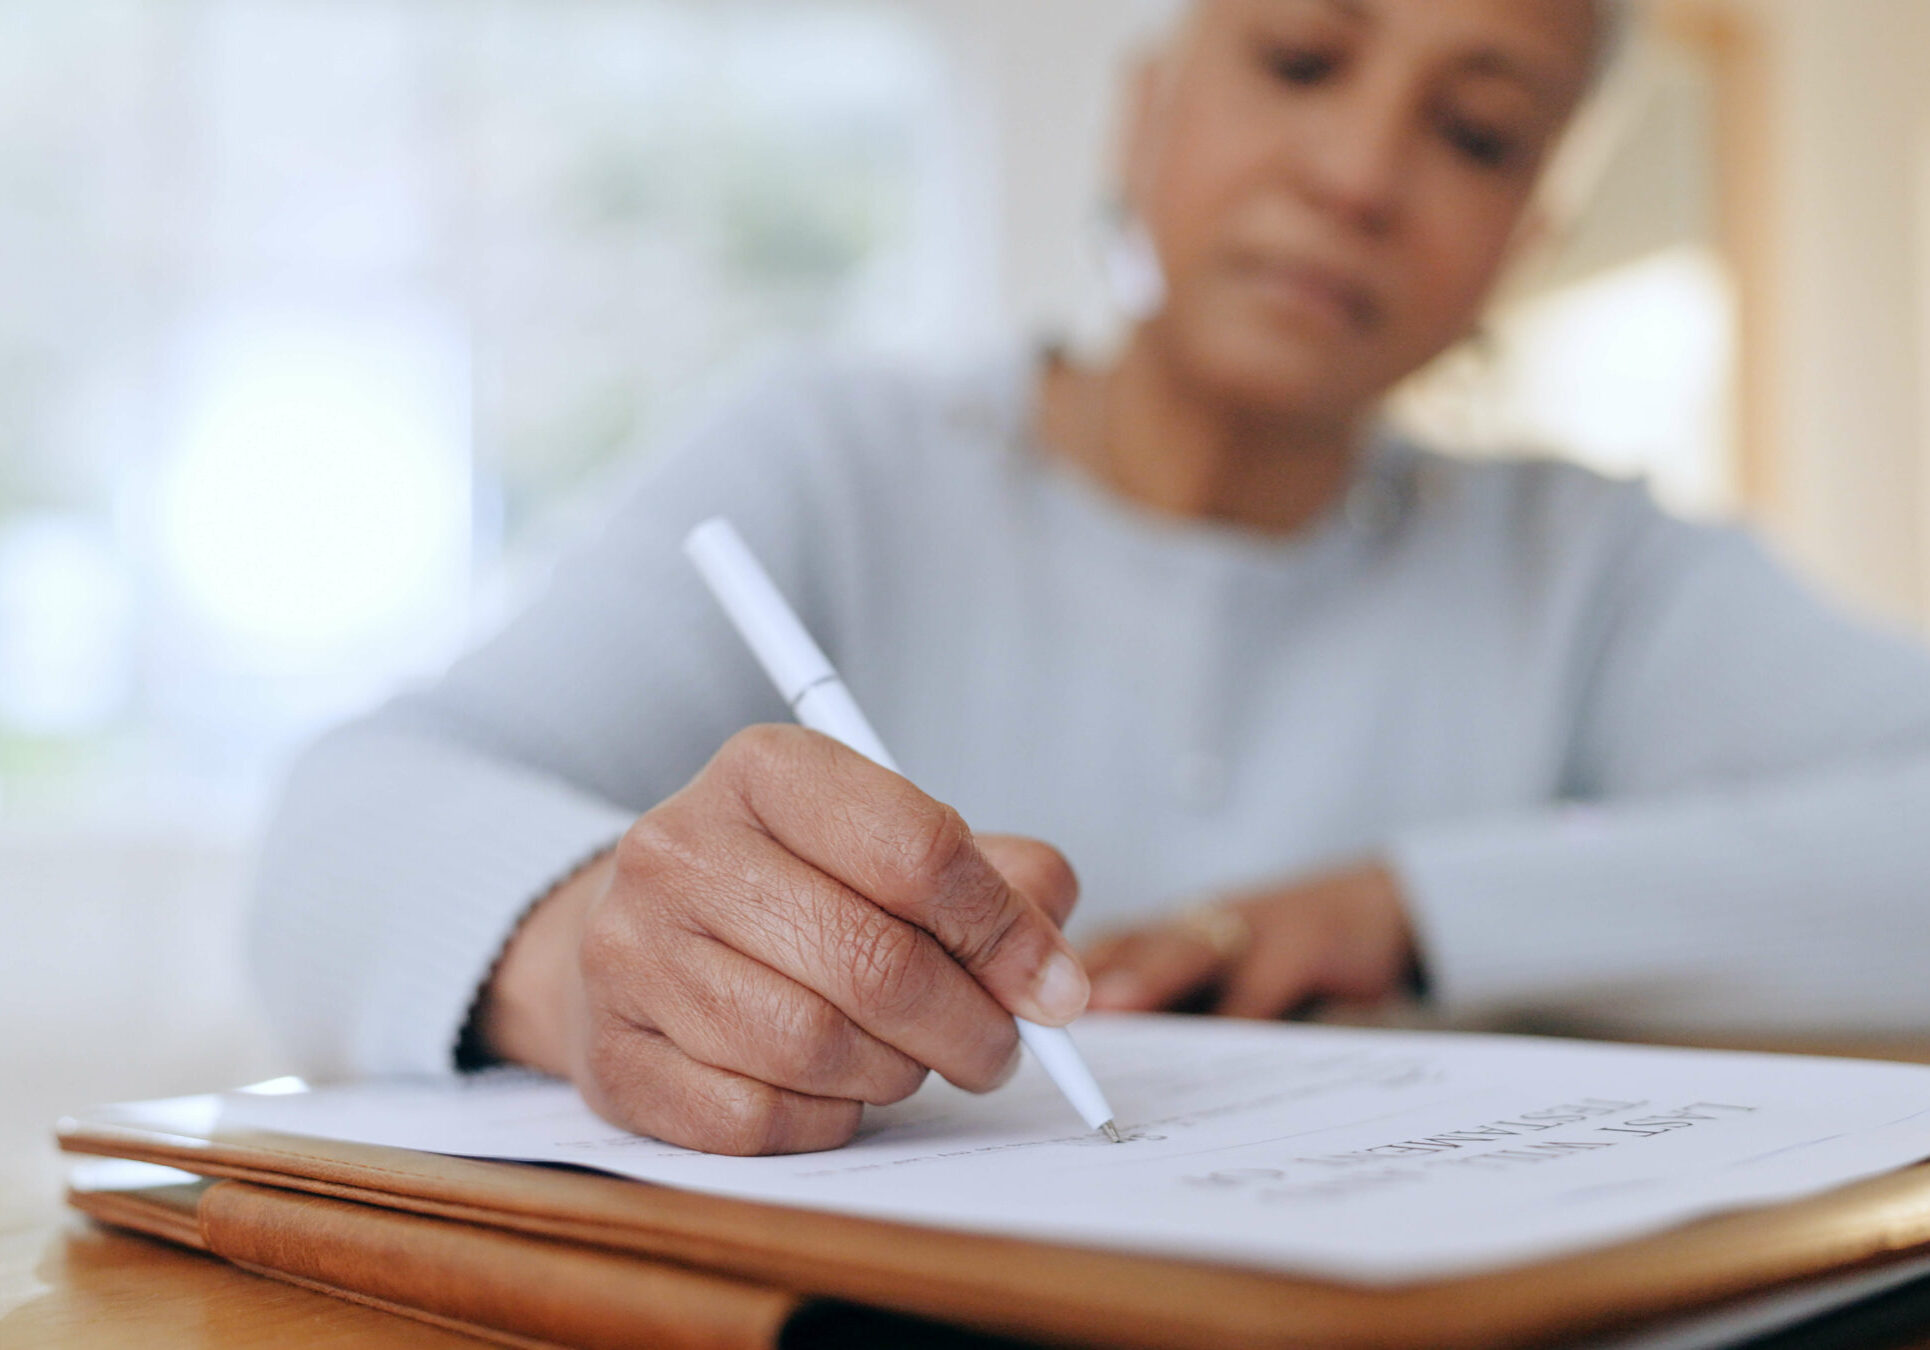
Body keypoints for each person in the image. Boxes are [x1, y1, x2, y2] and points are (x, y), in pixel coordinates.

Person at [251, 0, 1930, 1157]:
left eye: (1478, 135)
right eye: (1296, 55)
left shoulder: (1587, 569)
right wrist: (582, 951)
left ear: (1527, 239)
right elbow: (342, 820)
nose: (1355, 177)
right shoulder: (836, 462)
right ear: (1147, 103)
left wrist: (1405, 907)